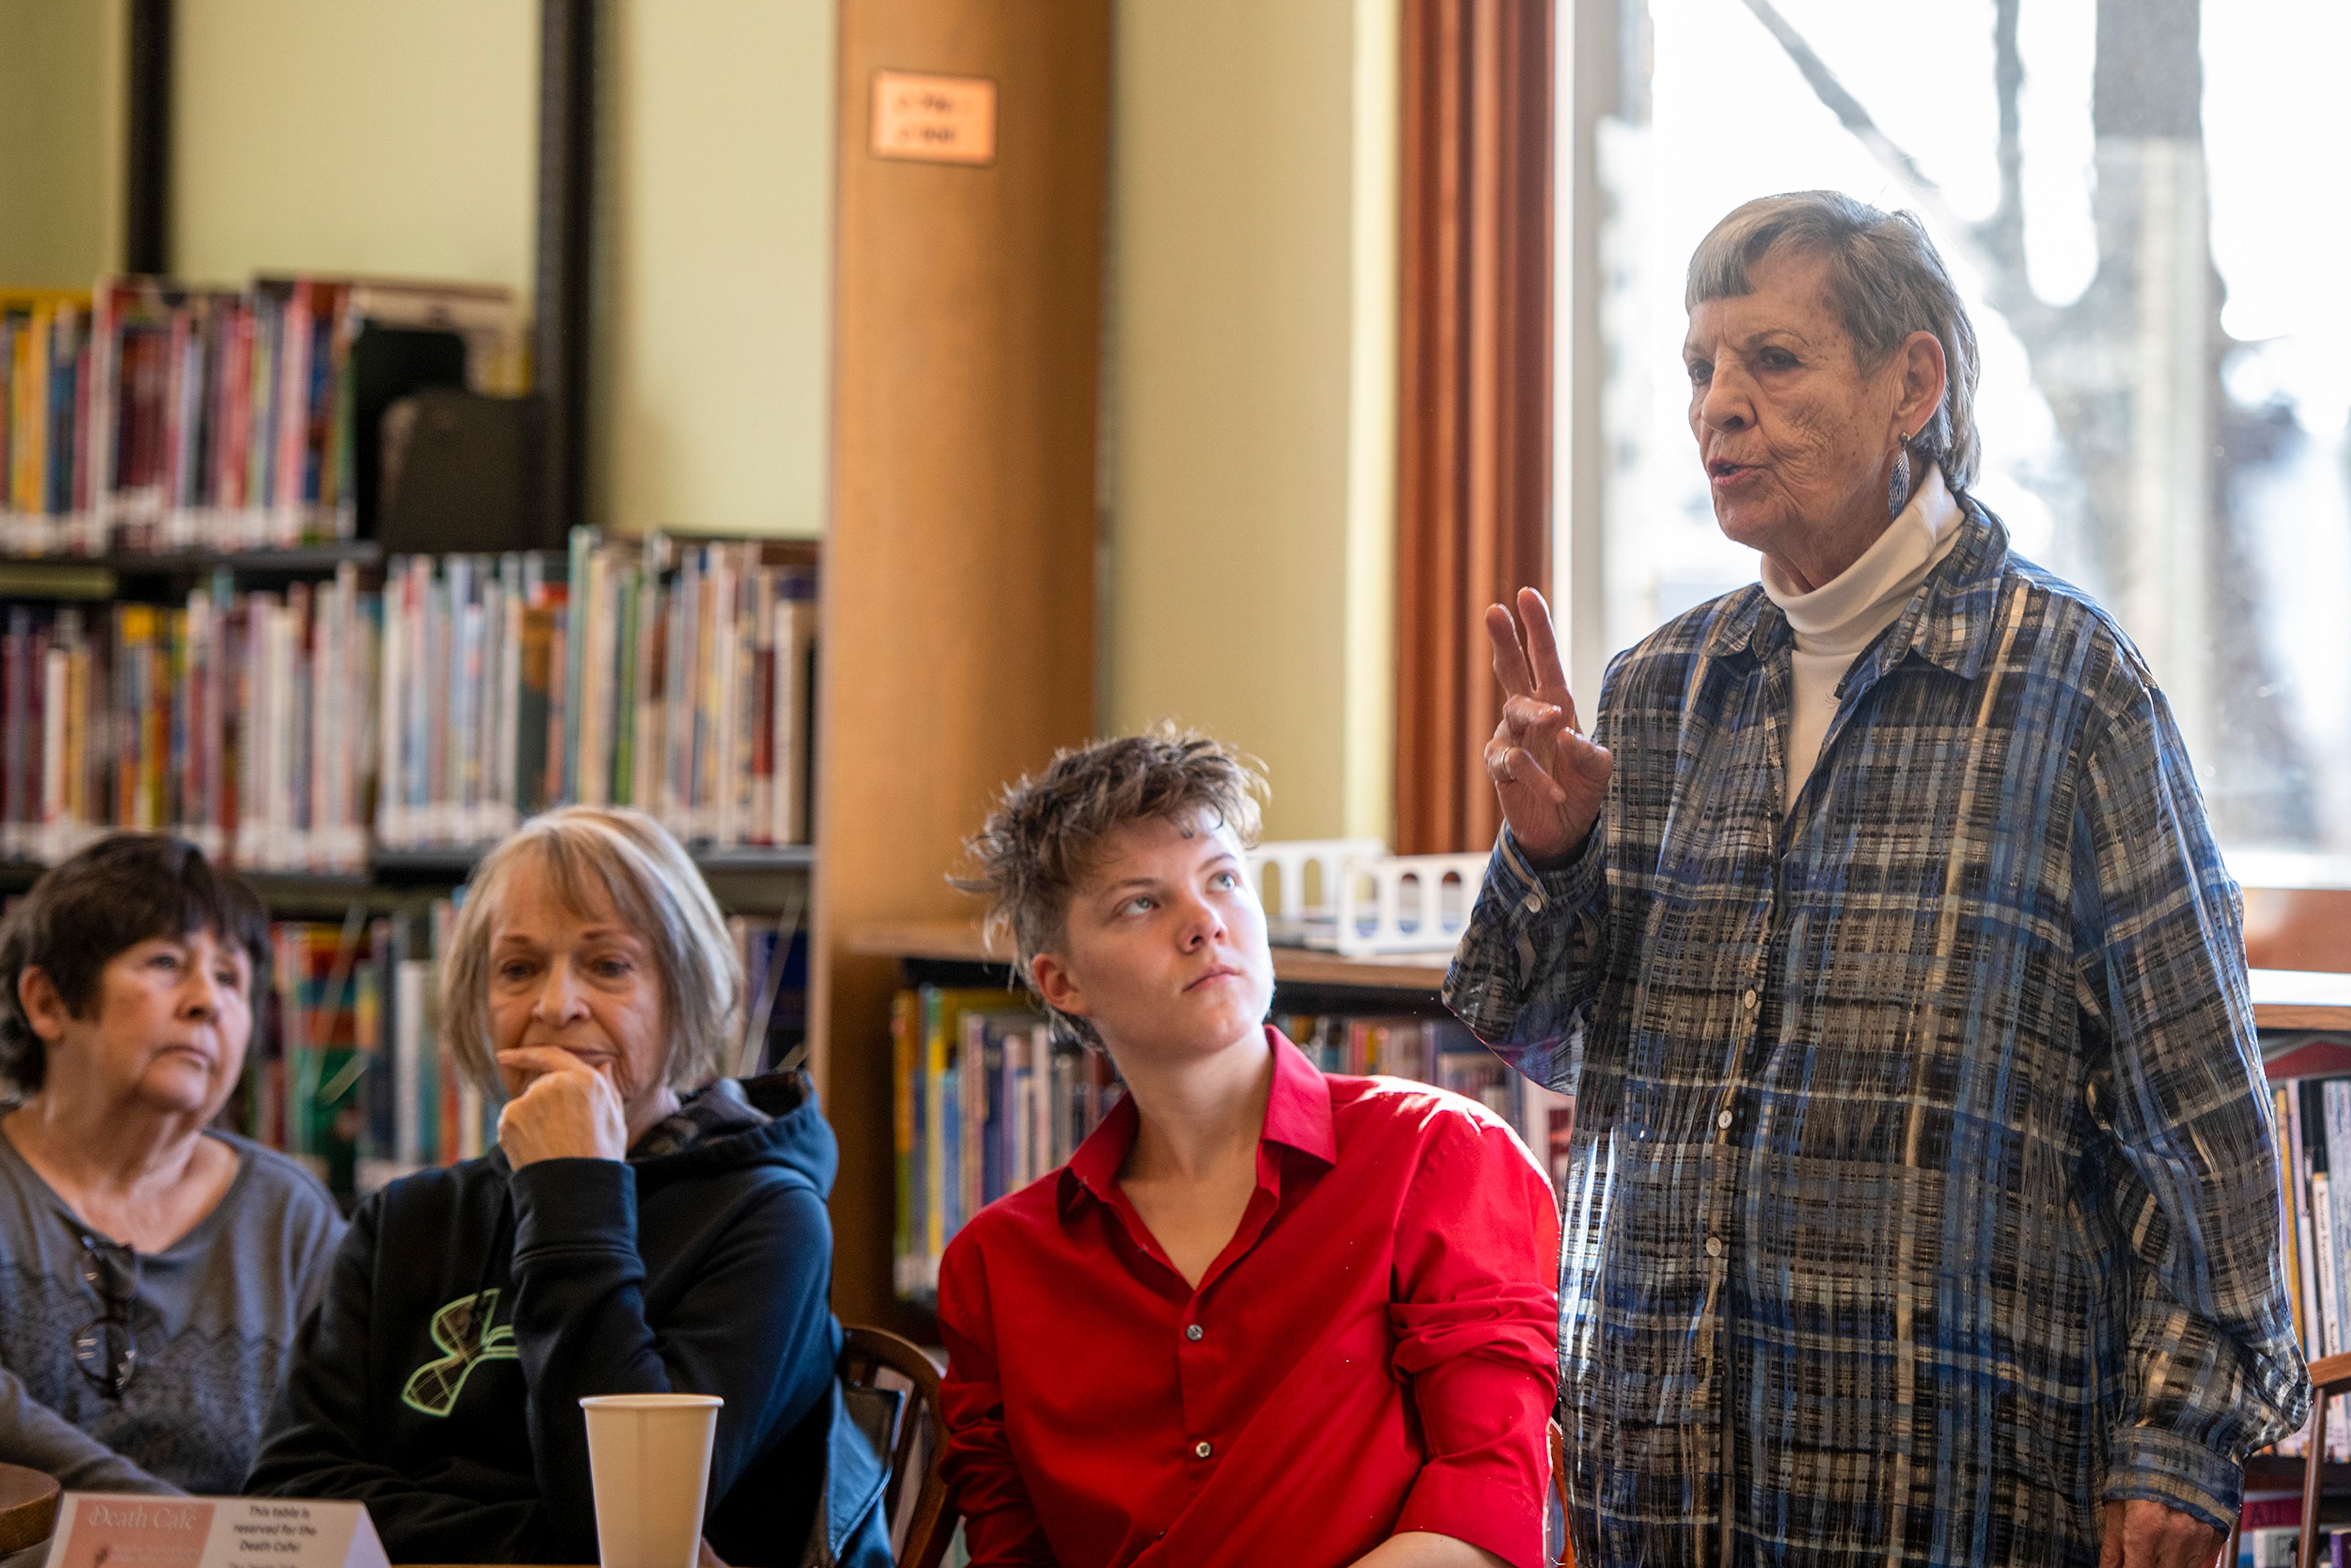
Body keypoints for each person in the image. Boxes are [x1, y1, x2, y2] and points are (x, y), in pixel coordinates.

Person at [1447, 189, 2310, 1567]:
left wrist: (2179, 1439)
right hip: (1661, 1477)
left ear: (1914, 381)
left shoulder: (2071, 688)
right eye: (1698, 367)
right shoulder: (1662, 688)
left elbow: (2200, 1126)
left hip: (1957, 1489)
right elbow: (1544, 1040)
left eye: (1770, 360)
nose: (1716, 407)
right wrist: (1546, 852)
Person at [937, 729, 1561, 1568]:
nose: (1204, 925)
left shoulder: (1439, 1153)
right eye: (1141, 903)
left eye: (1223, 879)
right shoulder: (997, 1264)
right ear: (1062, 982)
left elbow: (1492, 1502)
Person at [246, 806, 887, 1566]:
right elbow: (287, 1510)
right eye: (517, 969)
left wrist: (573, 1189)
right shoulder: (404, 1218)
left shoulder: (772, 1219)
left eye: (608, 965)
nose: (555, 1005)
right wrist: (543, 1549)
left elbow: (628, 1524)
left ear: (681, 993)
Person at [0, 834, 345, 1494]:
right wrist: (189, 1538)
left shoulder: (291, 1218)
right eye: (166, 962)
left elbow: (339, 1458)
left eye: (230, 977)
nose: (207, 1001)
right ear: (46, 1002)